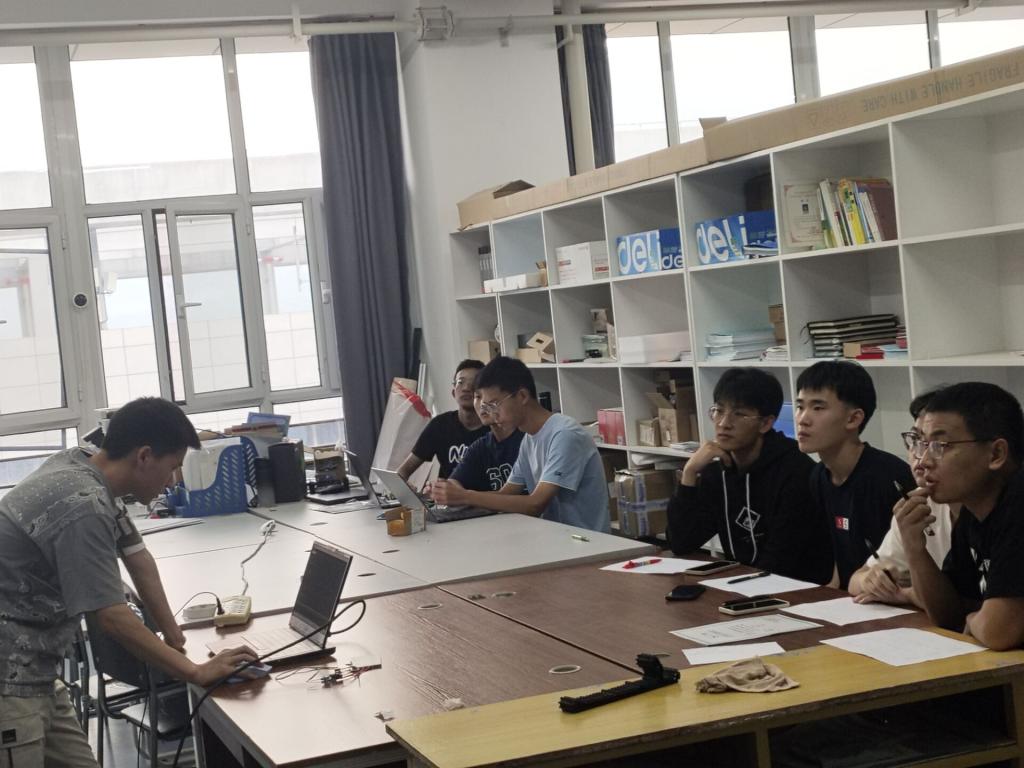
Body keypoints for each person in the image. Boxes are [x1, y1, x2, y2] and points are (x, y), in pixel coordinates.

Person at [0, 397, 256, 766]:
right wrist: (195, 672)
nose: (172, 482)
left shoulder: (85, 468)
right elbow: (112, 618)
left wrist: (175, 638)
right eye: (172, 468)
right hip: (9, 684)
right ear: (144, 456)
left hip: (34, 673)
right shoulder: (82, 503)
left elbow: (138, 558)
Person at [667, 368, 832, 583]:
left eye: (739, 414)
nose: (723, 423)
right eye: (719, 410)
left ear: (765, 423)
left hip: (797, 590)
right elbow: (681, 543)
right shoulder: (717, 472)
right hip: (745, 585)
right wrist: (689, 474)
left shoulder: (797, 473)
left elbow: (779, 561)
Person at [898, 382, 1024, 650]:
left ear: (996, 454)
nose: (923, 461)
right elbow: (948, 616)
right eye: (921, 443)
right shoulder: (972, 512)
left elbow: (998, 632)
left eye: (941, 445)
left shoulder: (1018, 504)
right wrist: (914, 547)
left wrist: (974, 618)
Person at [431, 356, 609, 532]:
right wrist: (452, 495)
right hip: (554, 538)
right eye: (487, 407)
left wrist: (466, 496)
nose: (492, 414)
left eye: (495, 405)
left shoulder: (564, 434)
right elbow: (505, 494)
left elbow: (535, 504)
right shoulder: (529, 439)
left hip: (586, 541)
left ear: (522, 396)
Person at [795, 360, 914, 589]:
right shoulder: (819, 475)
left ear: (853, 419)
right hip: (852, 597)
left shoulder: (889, 477)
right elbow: (840, 564)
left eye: (818, 408)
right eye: (800, 407)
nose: (803, 419)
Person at [848, 388, 959, 606]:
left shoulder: (1001, 510)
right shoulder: (918, 503)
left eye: (939, 445)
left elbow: (974, 606)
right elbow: (856, 580)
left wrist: (907, 594)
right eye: (916, 441)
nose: (921, 459)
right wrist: (872, 580)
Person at [397, 359, 489, 480]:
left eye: (474, 382)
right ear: (453, 392)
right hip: (446, 492)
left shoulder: (495, 427)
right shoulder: (440, 425)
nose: (466, 388)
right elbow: (404, 470)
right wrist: (404, 488)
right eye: (460, 382)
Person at [448, 388, 525, 492]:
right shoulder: (480, 446)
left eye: (489, 395)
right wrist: (441, 488)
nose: (482, 404)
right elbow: (453, 482)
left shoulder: (527, 438)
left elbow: (535, 500)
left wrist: (467, 496)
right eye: (478, 396)